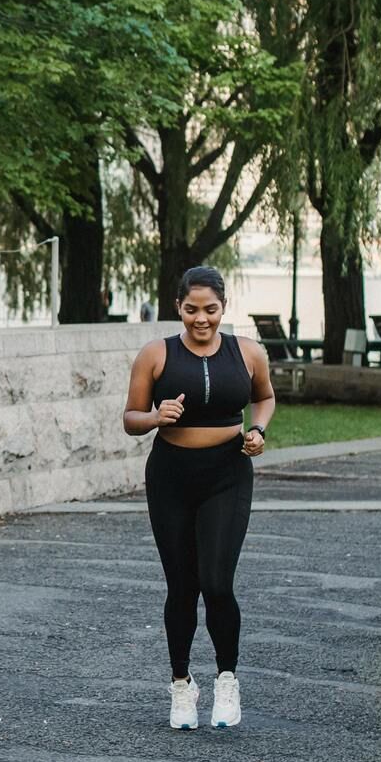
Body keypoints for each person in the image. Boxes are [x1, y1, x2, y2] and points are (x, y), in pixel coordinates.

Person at [121, 266, 275, 729]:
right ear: (178, 308)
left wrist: (259, 431)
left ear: (224, 307)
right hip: (170, 476)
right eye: (192, 310)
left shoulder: (248, 352)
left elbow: (265, 398)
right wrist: (155, 417)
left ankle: (227, 680)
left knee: (218, 583)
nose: (201, 319)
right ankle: (182, 686)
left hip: (227, 475)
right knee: (182, 588)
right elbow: (130, 417)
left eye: (210, 310)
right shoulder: (156, 354)